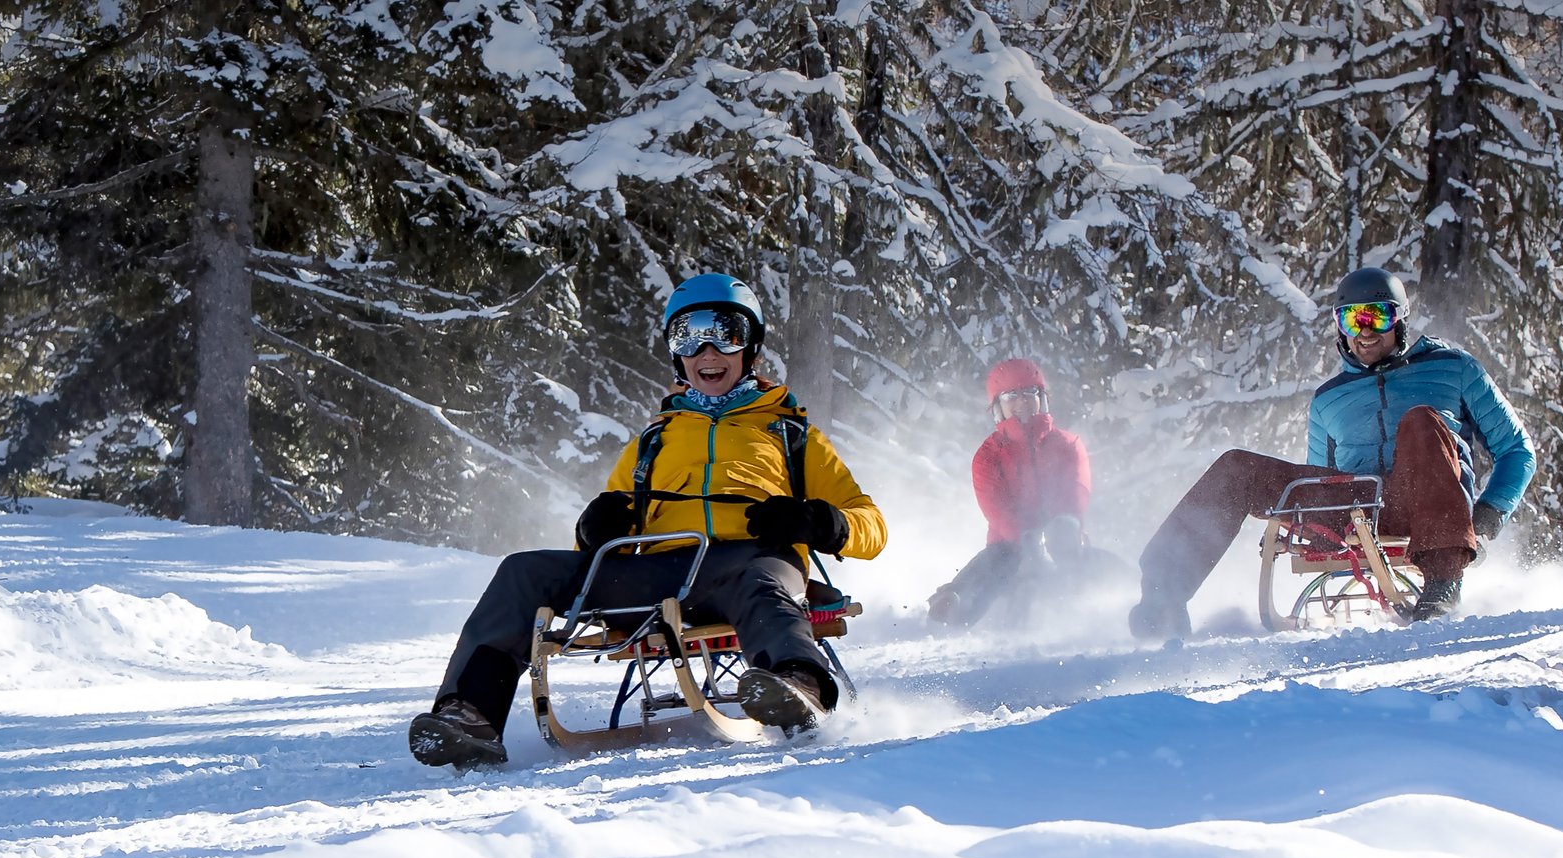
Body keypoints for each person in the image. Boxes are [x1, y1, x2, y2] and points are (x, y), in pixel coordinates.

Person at [409, 273, 888, 768]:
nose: (707, 350)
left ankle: (797, 683)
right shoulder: (654, 440)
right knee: (523, 570)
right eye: (688, 335)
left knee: (763, 578)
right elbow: (598, 544)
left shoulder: (789, 434)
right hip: (660, 579)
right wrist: (595, 530)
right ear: (675, 352)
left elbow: (871, 525)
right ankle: (468, 715)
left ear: (751, 346)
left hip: (747, 566)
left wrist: (817, 522)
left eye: (725, 333)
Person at [1129, 266, 1534, 638]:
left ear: (1399, 319)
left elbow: (1517, 449)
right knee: (1238, 467)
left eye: (1375, 316)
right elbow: (1319, 476)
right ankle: (1162, 596)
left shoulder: (1454, 368)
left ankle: (1443, 583)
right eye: (1349, 319)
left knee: (1421, 421)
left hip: (1425, 501)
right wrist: (1312, 528)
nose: (1364, 332)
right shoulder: (1329, 398)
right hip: (1356, 503)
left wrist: (1486, 518)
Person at [928, 358, 1115, 627]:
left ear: (1042, 398)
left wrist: (1060, 530)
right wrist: (1027, 540)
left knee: (1092, 562)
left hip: (1065, 542)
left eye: (1029, 393)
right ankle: (952, 608)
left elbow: (1076, 494)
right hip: (1010, 546)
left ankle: (1148, 599)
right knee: (996, 562)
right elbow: (995, 510)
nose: (1022, 402)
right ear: (997, 406)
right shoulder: (988, 456)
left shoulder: (1068, 445)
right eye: (1010, 396)